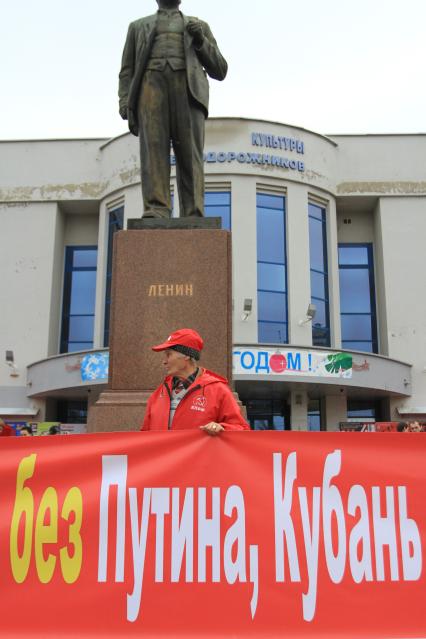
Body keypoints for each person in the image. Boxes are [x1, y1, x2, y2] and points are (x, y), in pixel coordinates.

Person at [118, 0, 228, 218]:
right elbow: (127, 70)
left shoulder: (199, 26)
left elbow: (220, 69)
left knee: (190, 154)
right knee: (153, 151)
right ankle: (156, 208)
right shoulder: (138, 27)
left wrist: (200, 40)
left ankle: (193, 211)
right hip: (151, 88)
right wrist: (124, 101)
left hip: (188, 91)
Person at [141, 328, 249, 434]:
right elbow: (144, 437)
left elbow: (241, 428)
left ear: (187, 355)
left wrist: (221, 428)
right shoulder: (158, 394)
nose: (164, 361)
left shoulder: (218, 390)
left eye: (169, 354)